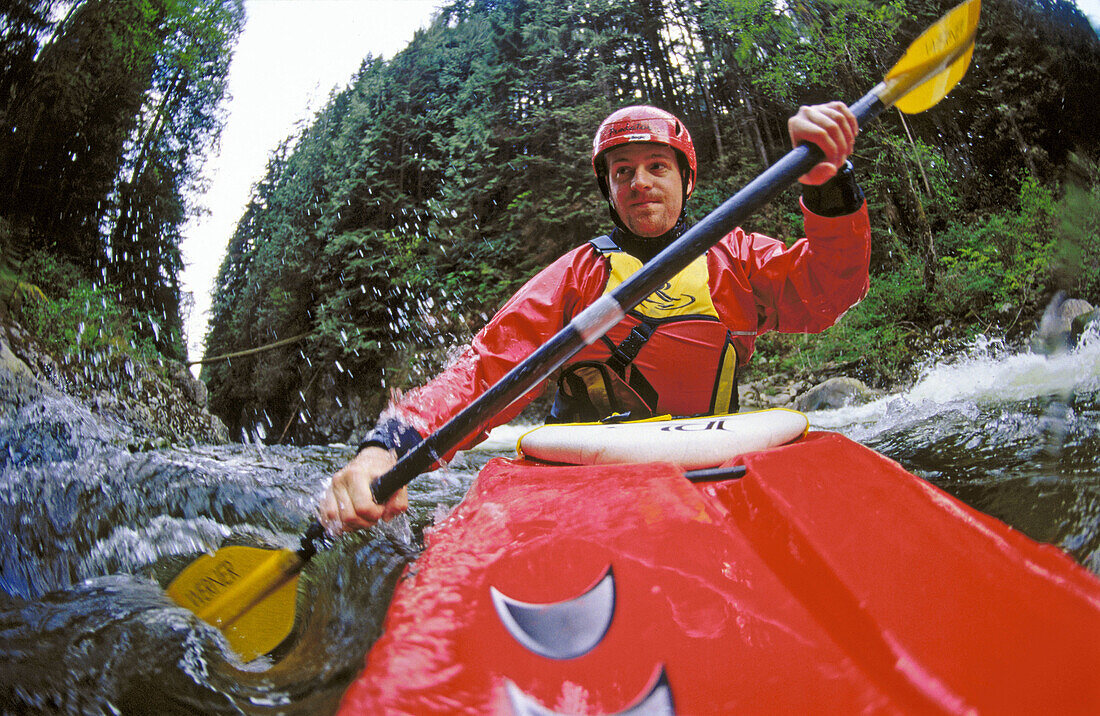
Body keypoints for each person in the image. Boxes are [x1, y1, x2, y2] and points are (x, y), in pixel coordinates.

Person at [321, 101, 869, 533]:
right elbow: (483, 370)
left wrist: (829, 183)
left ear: (686, 179)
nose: (639, 182)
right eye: (622, 171)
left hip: (712, 457)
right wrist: (384, 449)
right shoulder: (579, 274)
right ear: (609, 190)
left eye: (657, 166)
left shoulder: (738, 258)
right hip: (584, 473)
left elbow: (829, 291)